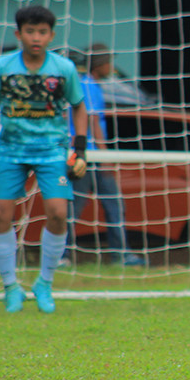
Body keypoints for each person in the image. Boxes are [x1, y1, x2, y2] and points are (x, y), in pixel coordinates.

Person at [0, 5, 87, 313]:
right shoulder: (2, 67)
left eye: (43, 32)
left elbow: (78, 106)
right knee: (0, 214)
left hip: (51, 151)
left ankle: (44, 283)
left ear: (51, 35)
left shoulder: (64, 68)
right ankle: (10, 287)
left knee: (58, 213)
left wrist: (81, 150)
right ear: (18, 34)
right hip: (11, 150)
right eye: (30, 31)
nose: (36, 37)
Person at [65, 45, 143, 266]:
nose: (112, 66)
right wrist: (105, 154)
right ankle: (62, 255)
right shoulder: (87, 85)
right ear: (100, 65)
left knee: (113, 204)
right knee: (75, 205)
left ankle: (121, 254)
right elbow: (90, 121)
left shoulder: (90, 84)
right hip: (86, 155)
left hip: (89, 154)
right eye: (109, 61)